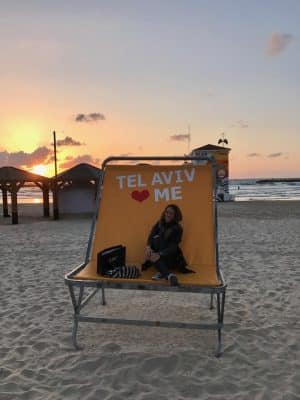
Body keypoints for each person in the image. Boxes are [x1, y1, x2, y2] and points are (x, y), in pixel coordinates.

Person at [142, 204, 192, 286]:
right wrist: (148, 248)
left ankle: (163, 272)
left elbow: (173, 248)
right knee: (154, 243)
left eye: (171, 213)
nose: (168, 215)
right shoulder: (159, 223)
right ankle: (169, 275)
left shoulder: (178, 228)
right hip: (157, 255)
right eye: (167, 212)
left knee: (157, 241)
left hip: (171, 257)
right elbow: (151, 235)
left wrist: (160, 254)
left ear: (175, 216)